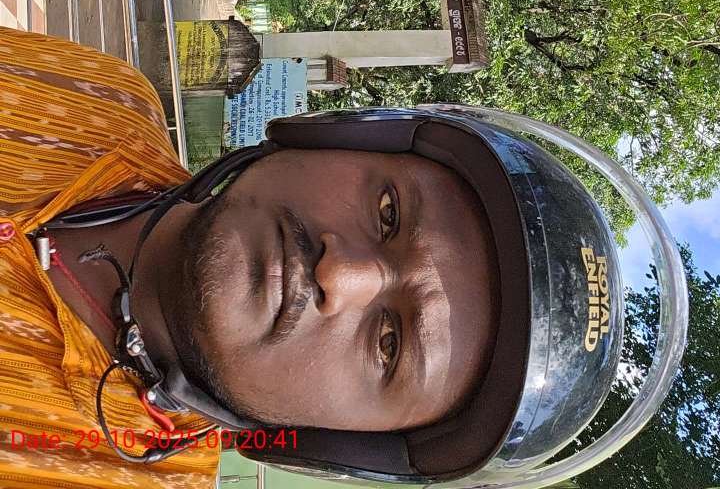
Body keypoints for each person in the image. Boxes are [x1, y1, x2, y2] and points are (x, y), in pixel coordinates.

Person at [0, 26, 624, 488]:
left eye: (390, 344)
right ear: (329, 136)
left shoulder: (88, 473)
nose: (340, 274)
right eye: (388, 213)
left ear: (332, 444)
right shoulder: (104, 99)